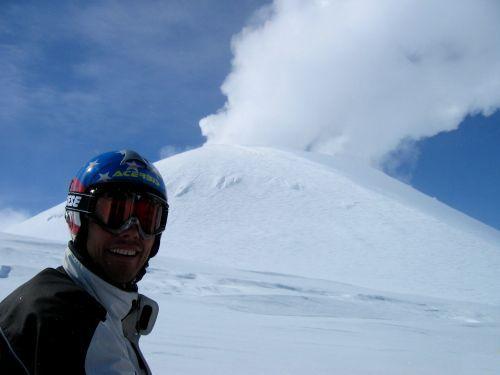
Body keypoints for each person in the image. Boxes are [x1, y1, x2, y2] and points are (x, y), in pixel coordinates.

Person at [0, 150, 169, 374]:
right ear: (80, 219)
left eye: (148, 218)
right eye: (116, 212)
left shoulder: (99, 312)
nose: (132, 231)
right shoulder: (69, 320)